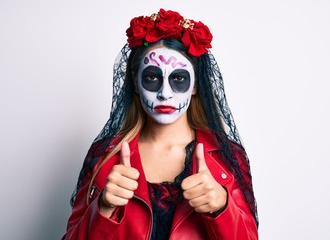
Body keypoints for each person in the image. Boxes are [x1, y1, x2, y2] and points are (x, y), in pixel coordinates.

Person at [62, 8, 259, 240]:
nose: (165, 94)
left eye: (178, 79)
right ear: (135, 83)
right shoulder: (104, 156)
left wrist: (222, 209)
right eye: (152, 77)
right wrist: (103, 209)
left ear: (195, 85)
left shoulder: (229, 158)